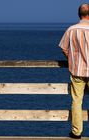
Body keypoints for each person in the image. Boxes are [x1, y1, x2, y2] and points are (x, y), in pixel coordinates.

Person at [59, 3, 89, 139]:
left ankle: (77, 132)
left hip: (77, 71)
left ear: (79, 14)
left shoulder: (71, 30)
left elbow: (64, 48)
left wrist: (72, 59)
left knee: (77, 101)